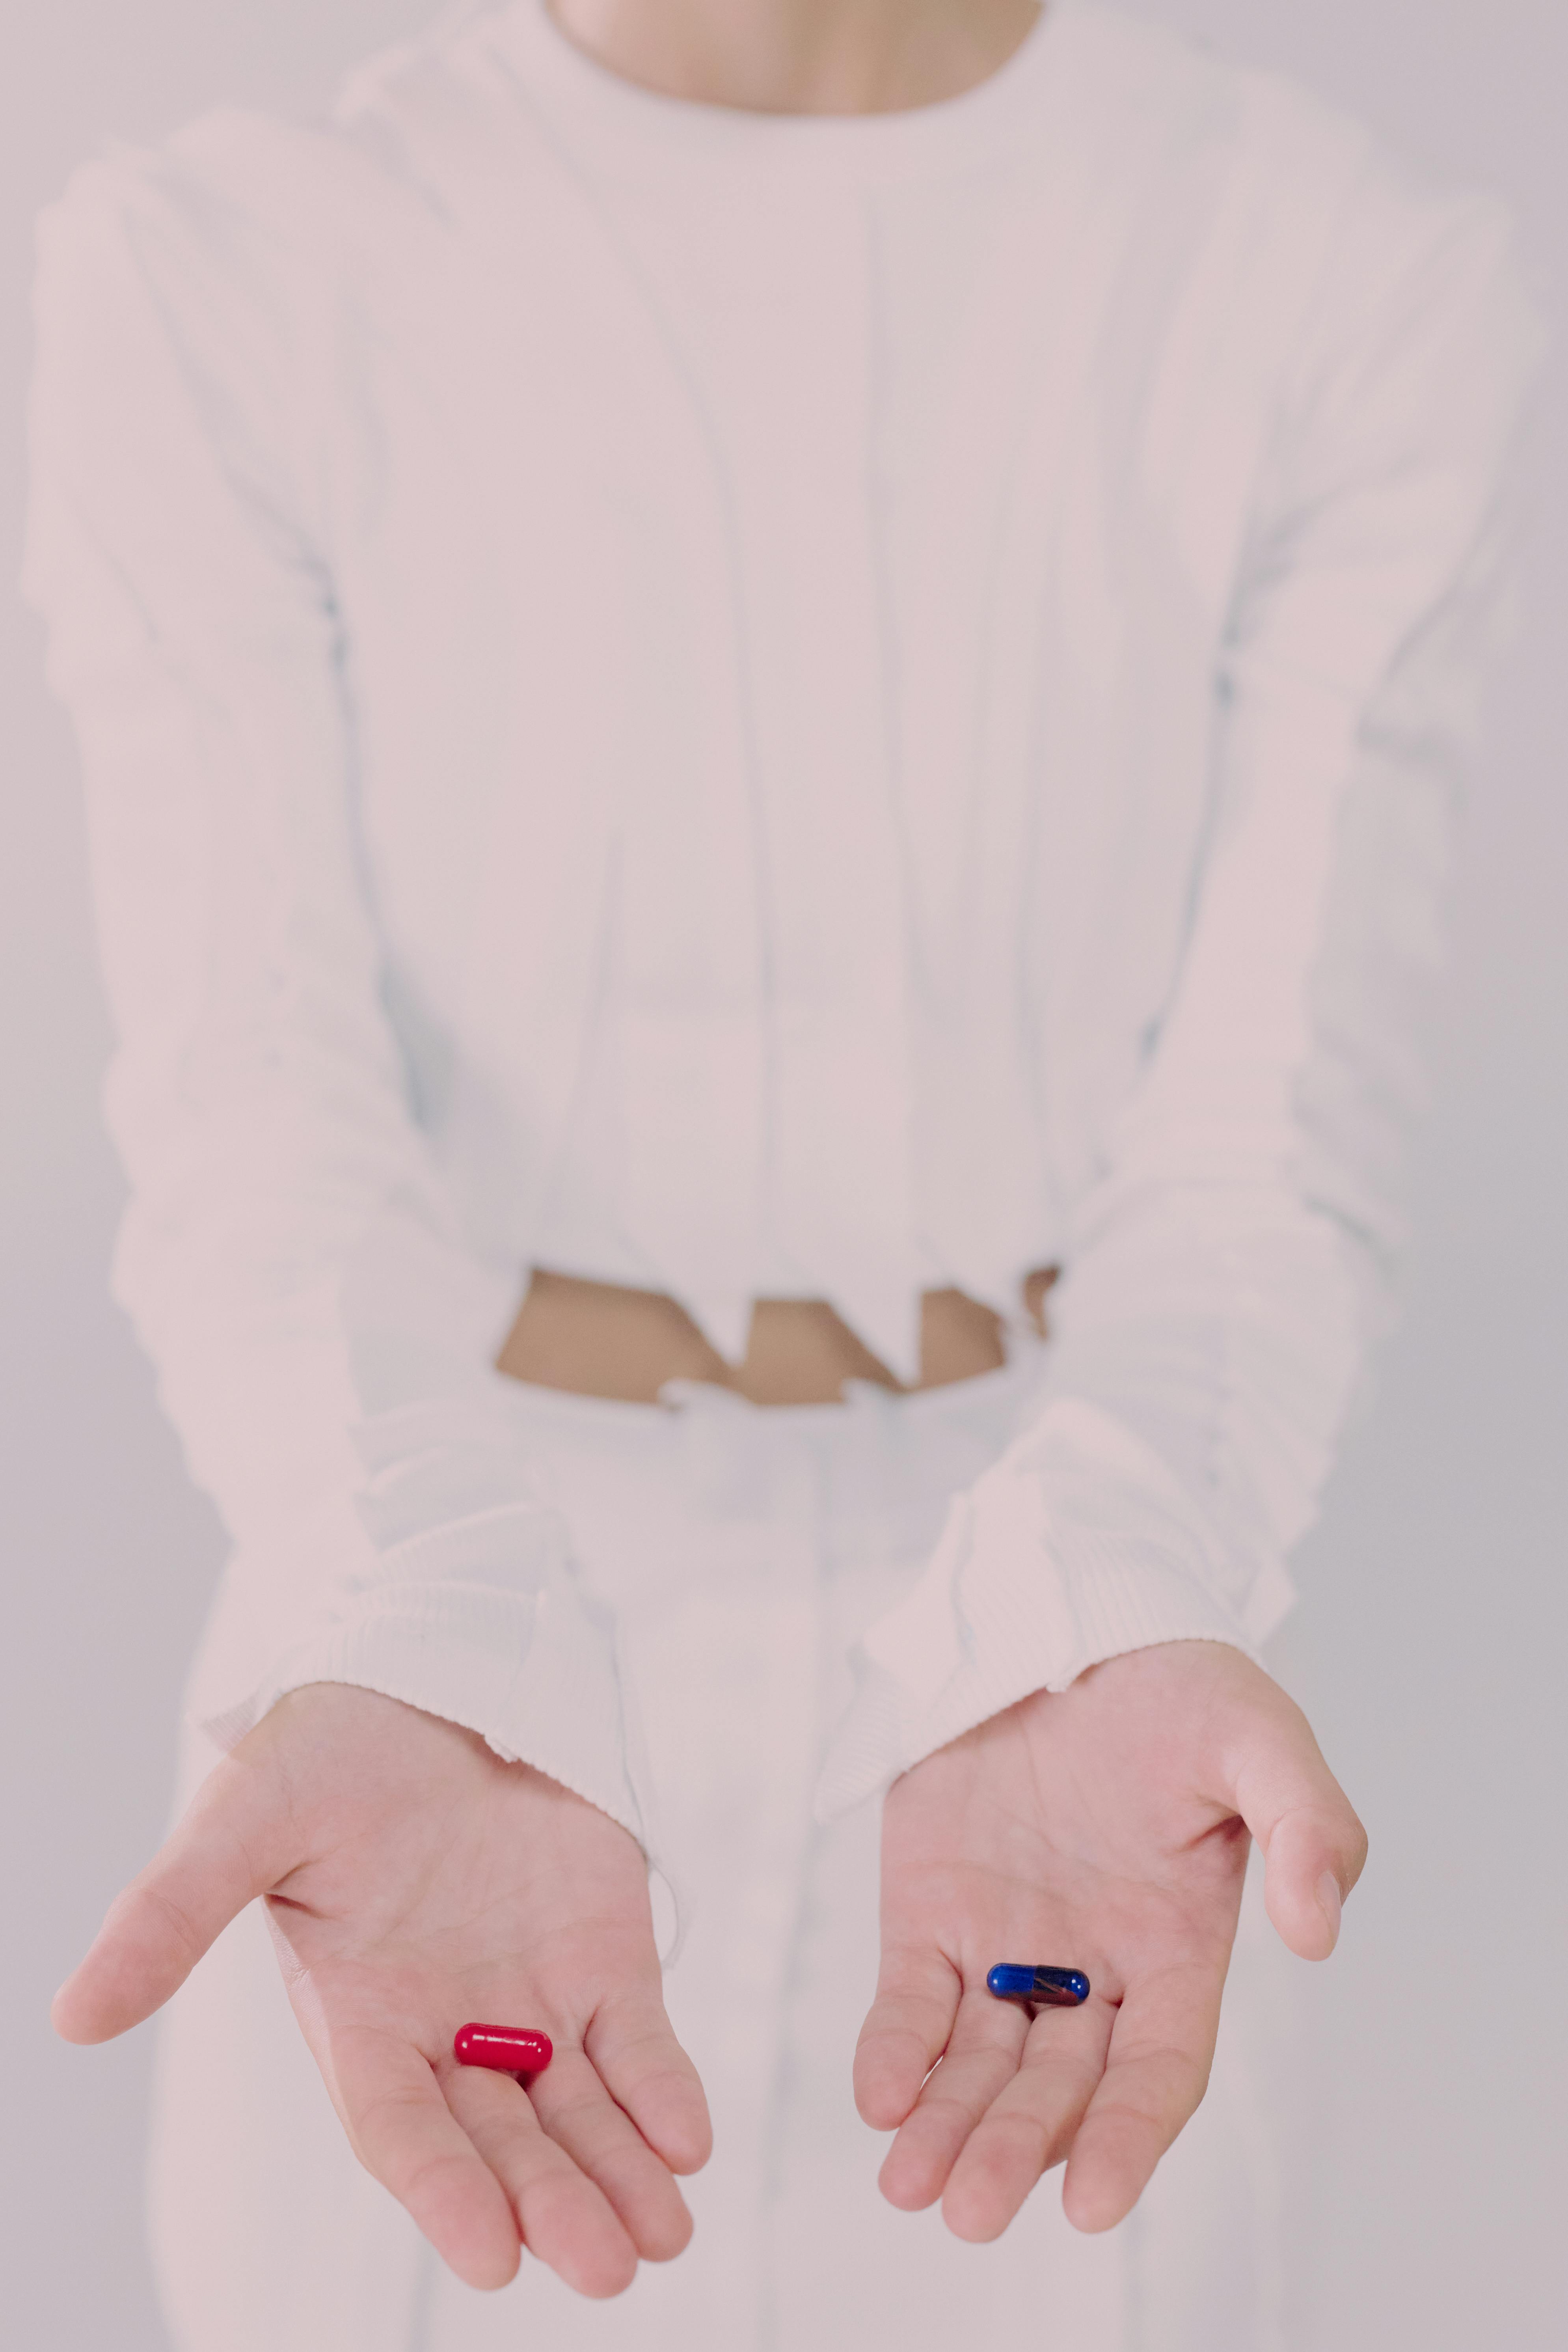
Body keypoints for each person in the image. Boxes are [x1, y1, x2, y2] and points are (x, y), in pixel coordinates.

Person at [20, 2, 1545, 2346]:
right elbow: (252, 1116)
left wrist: (1104, 1581)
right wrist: (419, 1613)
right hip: (422, 1676)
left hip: (1089, 1700)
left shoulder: (1344, 279)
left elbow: (1273, 1136)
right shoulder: (220, 266)